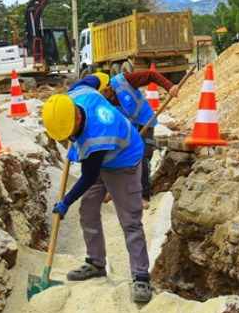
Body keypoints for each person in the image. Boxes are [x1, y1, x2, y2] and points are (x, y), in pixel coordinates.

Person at [41, 82, 153, 304]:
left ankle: (141, 277)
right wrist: (101, 79)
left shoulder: (97, 137)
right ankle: (96, 263)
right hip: (100, 160)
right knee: (88, 211)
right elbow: (91, 81)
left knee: (130, 220)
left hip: (124, 162)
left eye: (68, 135)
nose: (67, 140)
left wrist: (66, 201)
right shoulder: (77, 94)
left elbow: (89, 176)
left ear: (78, 119)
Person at [75, 70, 179, 209]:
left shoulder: (125, 80)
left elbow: (151, 75)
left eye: (101, 94)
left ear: (107, 87)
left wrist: (169, 86)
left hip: (146, 121)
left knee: (143, 156)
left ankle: (143, 196)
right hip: (128, 129)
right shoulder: (100, 102)